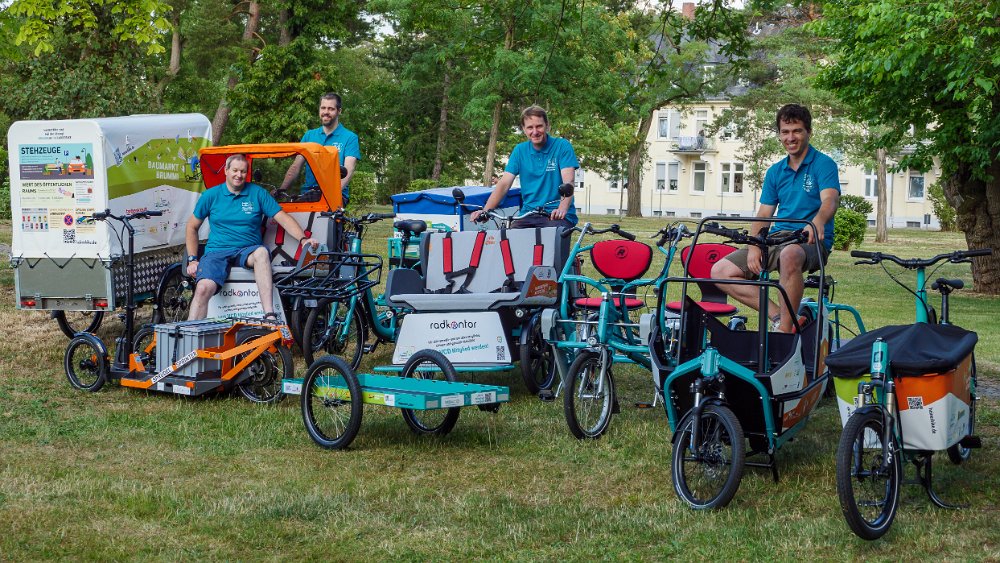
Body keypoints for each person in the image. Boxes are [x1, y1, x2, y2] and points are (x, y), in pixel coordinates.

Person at [710, 104, 841, 333]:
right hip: (776, 239)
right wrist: (753, 246)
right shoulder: (775, 171)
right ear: (779, 134)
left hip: (809, 240)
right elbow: (763, 214)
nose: (791, 137)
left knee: (790, 255)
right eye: (785, 132)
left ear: (808, 132)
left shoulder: (824, 164)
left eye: (797, 131)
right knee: (720, 271)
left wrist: (818, 220)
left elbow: (830, 200)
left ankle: (784, 337)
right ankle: (782, 320)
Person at [186, 154, 320, 320]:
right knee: (202, 289)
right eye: (235, 170)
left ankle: (269, 315)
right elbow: (192, 227)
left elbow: (282, 218)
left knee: (262, 253)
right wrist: (192, 259)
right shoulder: (211, 196)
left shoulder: (258, 194)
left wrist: (303, 239)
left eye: (243, 171)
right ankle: (190, 336)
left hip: (246, 251)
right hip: (217, 252)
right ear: (226, 171)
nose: (239, 175)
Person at [470, 105, 578, 228]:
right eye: (530, 127)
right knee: (510, 241)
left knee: (550, 242)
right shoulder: (519, 151)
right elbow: (504, 184)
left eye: (539, 126)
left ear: (547, 125)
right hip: (528, 214)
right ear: (524, 129)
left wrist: (562, 209)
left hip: (556, 214)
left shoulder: (562, 146)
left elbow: (568, 182)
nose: (535, 132)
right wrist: (486, 211)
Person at [279, 92, 361, 205]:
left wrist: (331, 194)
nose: (326, 112)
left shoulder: (350, 137)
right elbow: (296, 167)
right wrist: (280, 190)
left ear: (339, 111)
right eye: (323, 108)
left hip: (336, 195)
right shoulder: (309, 135)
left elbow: (349, 170)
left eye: (331, 109)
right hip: (308, 193)